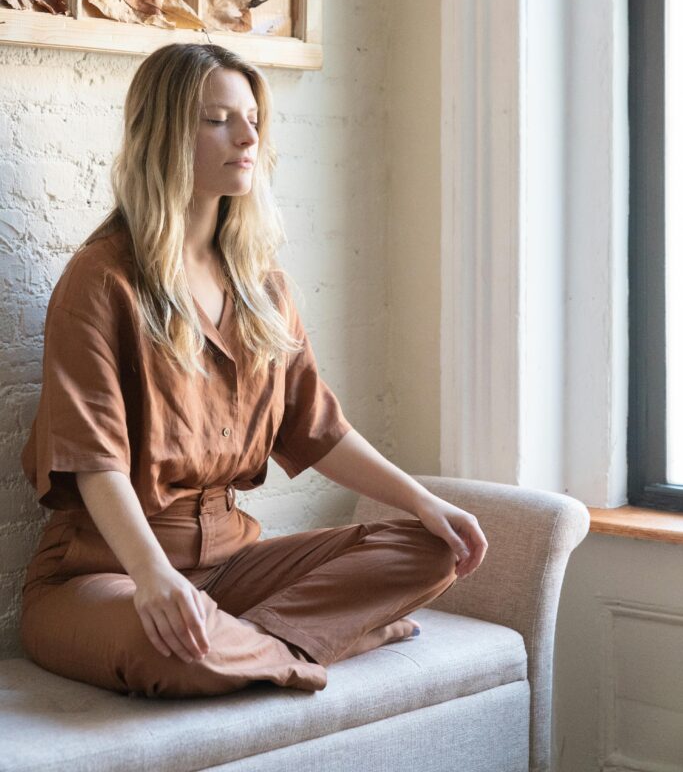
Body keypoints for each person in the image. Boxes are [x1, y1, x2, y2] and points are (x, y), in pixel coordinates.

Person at [19, 42, 488, 699]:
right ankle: (310, 643)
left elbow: (319, 430)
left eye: (252, 119)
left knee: (432, 549)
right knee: (171, 651)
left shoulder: (264, 287)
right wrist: (154, 577)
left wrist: (422, 501)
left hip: (233, 565)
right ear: (164, 133)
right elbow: (93, 461)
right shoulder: (101, 280)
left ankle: (236, 641)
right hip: (108, 573)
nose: (246, 136)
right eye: (217, 119)